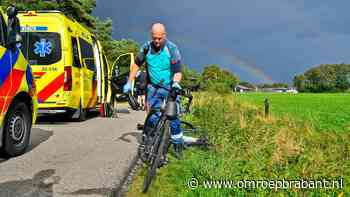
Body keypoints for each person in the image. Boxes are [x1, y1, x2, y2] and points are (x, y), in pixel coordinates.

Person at [123, 23, 184, 158]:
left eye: (159, 38)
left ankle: (178, 146)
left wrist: (175, 84)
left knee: (173, 118)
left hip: (169, 88)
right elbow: (136, 65)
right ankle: (151, 141)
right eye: (154, 38)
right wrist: (129, 82)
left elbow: (178, 71)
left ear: (164, 35)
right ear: (151, 35)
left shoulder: (172, 49)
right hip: (153, 88)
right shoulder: (146, 48)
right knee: (153, 117)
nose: (156, 41)